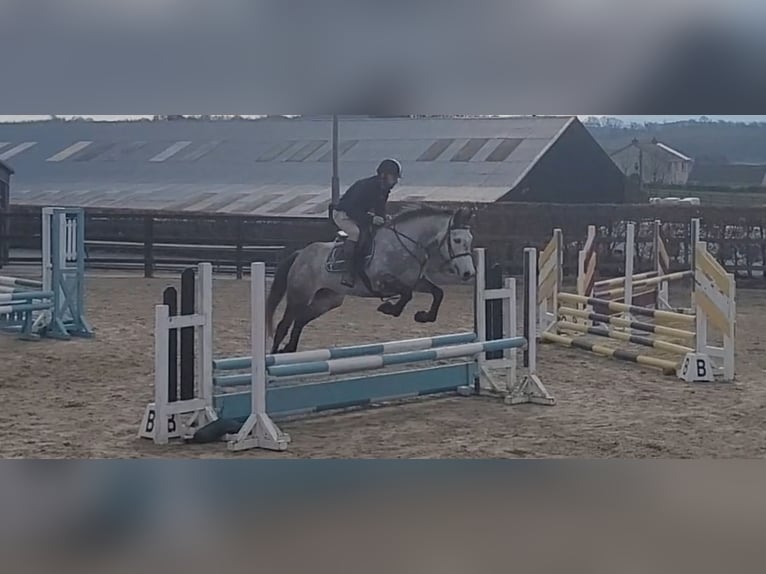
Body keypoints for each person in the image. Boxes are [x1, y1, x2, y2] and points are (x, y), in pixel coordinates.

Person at [331, 158, 402, 287]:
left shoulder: (384, 189)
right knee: (355, 234)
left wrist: (385, 218)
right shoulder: (366, 186)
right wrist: (371, 219)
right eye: (394, 177)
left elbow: (380, 208)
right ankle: (348, 271)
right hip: (343, 214)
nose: (396, 181)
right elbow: (350, 208)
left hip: (358, 214)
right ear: (384, 175)